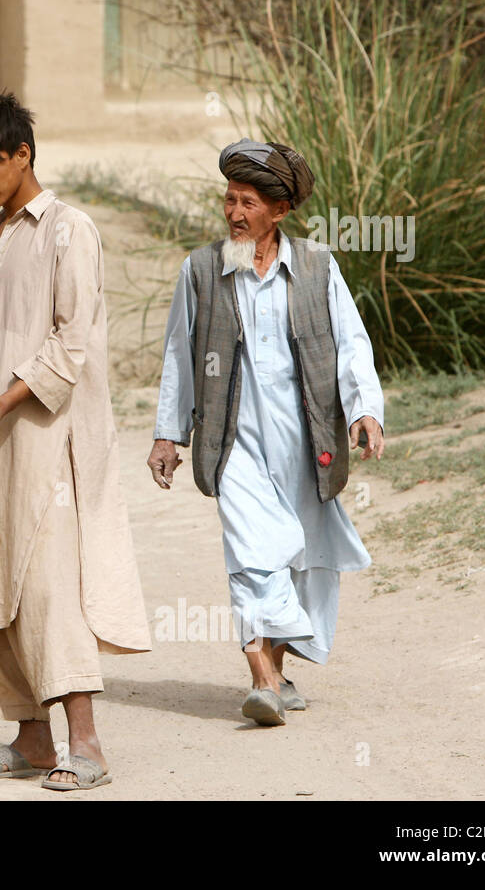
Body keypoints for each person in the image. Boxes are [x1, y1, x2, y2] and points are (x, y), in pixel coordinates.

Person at [0, 92, 151, 791]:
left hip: (46, 444)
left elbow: (72, 339)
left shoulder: (67, 229)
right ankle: (30, 739)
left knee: (50, 586)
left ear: (23, 153)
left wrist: (7, 398)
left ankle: (85, 744)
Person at [146, 137, 385, 727]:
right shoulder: (201, 270)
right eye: (229, 200)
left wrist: (365, 409)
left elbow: (352, 345)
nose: (233, 213)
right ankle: (261, 678)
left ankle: (276, 673)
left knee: (301, 556)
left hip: (306, 439)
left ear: (278, 211)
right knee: (254, 556)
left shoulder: (316, 266)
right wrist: (167, 435)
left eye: (247, 202)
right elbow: (179, 354)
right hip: (233, 444)